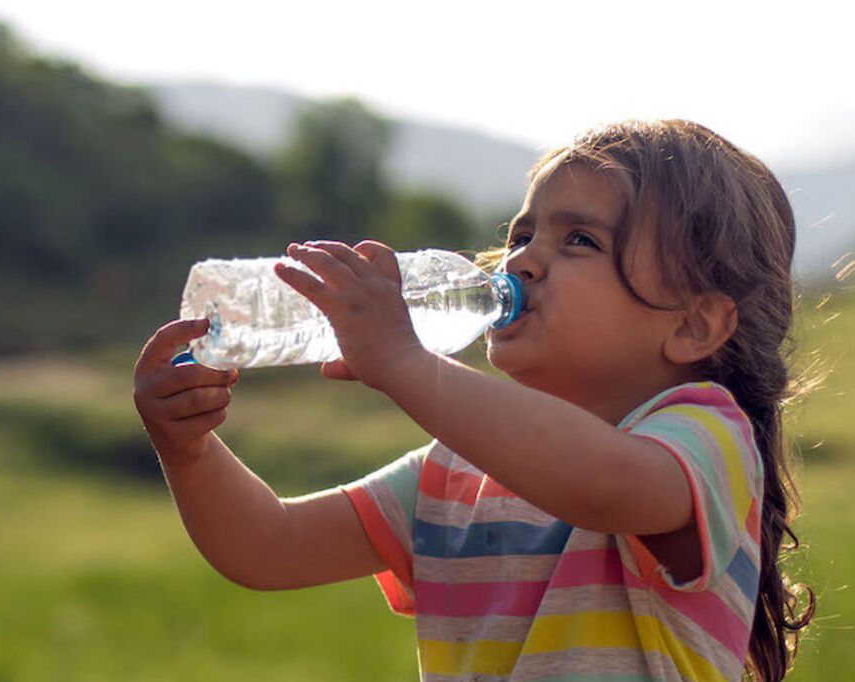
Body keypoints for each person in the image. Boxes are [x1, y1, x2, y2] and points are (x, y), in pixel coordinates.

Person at [132, 119, 814, 681]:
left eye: (579, 239)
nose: (520, 260)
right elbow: (269, 547)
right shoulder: (454, 470)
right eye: (522, 235)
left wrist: (403, 362)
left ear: (692, 324)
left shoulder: (706, 439)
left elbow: (603, 485)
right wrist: (188, 449)